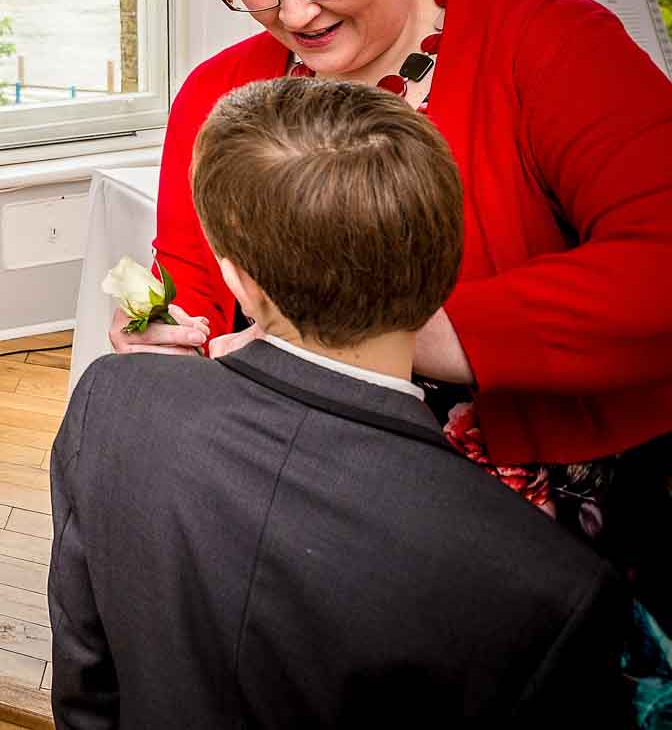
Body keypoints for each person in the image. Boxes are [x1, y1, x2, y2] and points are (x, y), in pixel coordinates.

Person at [129, 0, 672, 631]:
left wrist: (401, 335)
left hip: (555, 501)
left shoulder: (552, 44)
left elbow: (660, 257)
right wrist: (169, 335)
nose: (297, 13)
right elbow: (192, 284)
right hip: (312, 499)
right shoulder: (218, 93)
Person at [51, 77, 629, 727]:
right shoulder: (550, 586)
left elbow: (85, 668)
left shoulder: (113, 399)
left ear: (236, 272)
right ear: (447, 263)